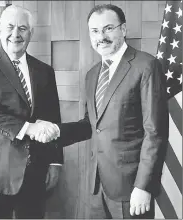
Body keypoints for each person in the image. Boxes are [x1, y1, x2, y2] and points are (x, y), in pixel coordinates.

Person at [36, 4, 169, 219]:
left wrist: (144, 186)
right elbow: (91, 126)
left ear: (123, 29)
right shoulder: (92, 74)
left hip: (131, 188)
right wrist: (56, 130)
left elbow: (155, 132)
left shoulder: (146, 66)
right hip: (96, 186)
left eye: (108, 28)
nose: (101, 37)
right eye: (95, 31)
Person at [0, 5, 63, 219]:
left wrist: (56, 162)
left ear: (31, 33)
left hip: (35, 170)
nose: (15, 34)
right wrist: (28, 128)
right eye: (10, 27)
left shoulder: (45, 71)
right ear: (0, 30)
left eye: (22, 28)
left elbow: (53, 118)